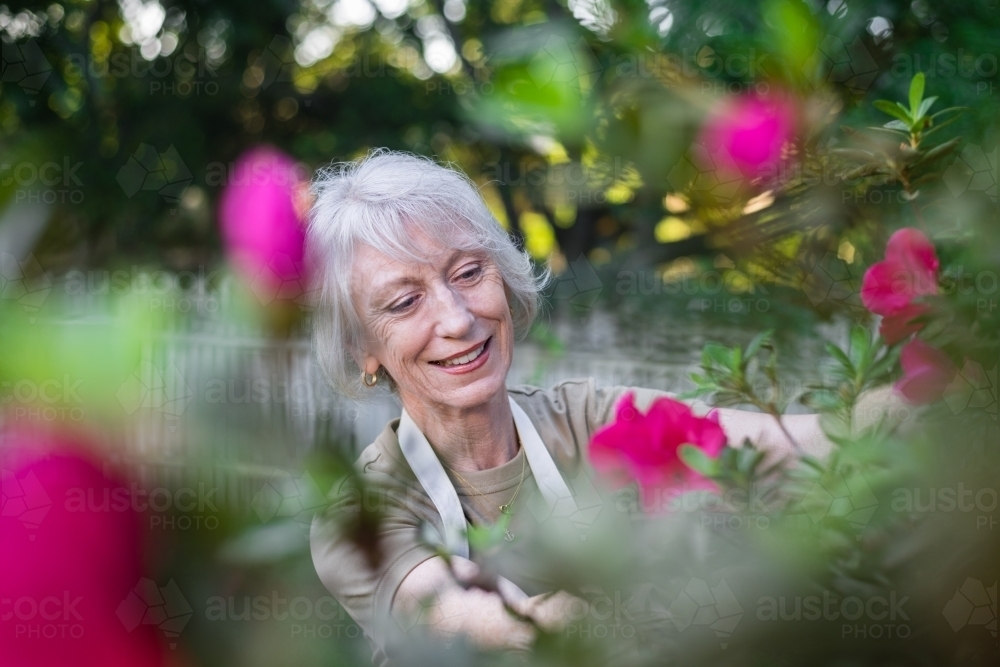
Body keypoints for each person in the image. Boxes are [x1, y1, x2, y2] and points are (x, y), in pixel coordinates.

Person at [306, 150, 897, 665]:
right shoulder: (356, 517)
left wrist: (926, 392)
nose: (458, 319)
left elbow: (798, 444)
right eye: (406, 302)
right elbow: (515, 632)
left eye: (468, 272)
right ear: (362, 347)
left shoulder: (582, 418)